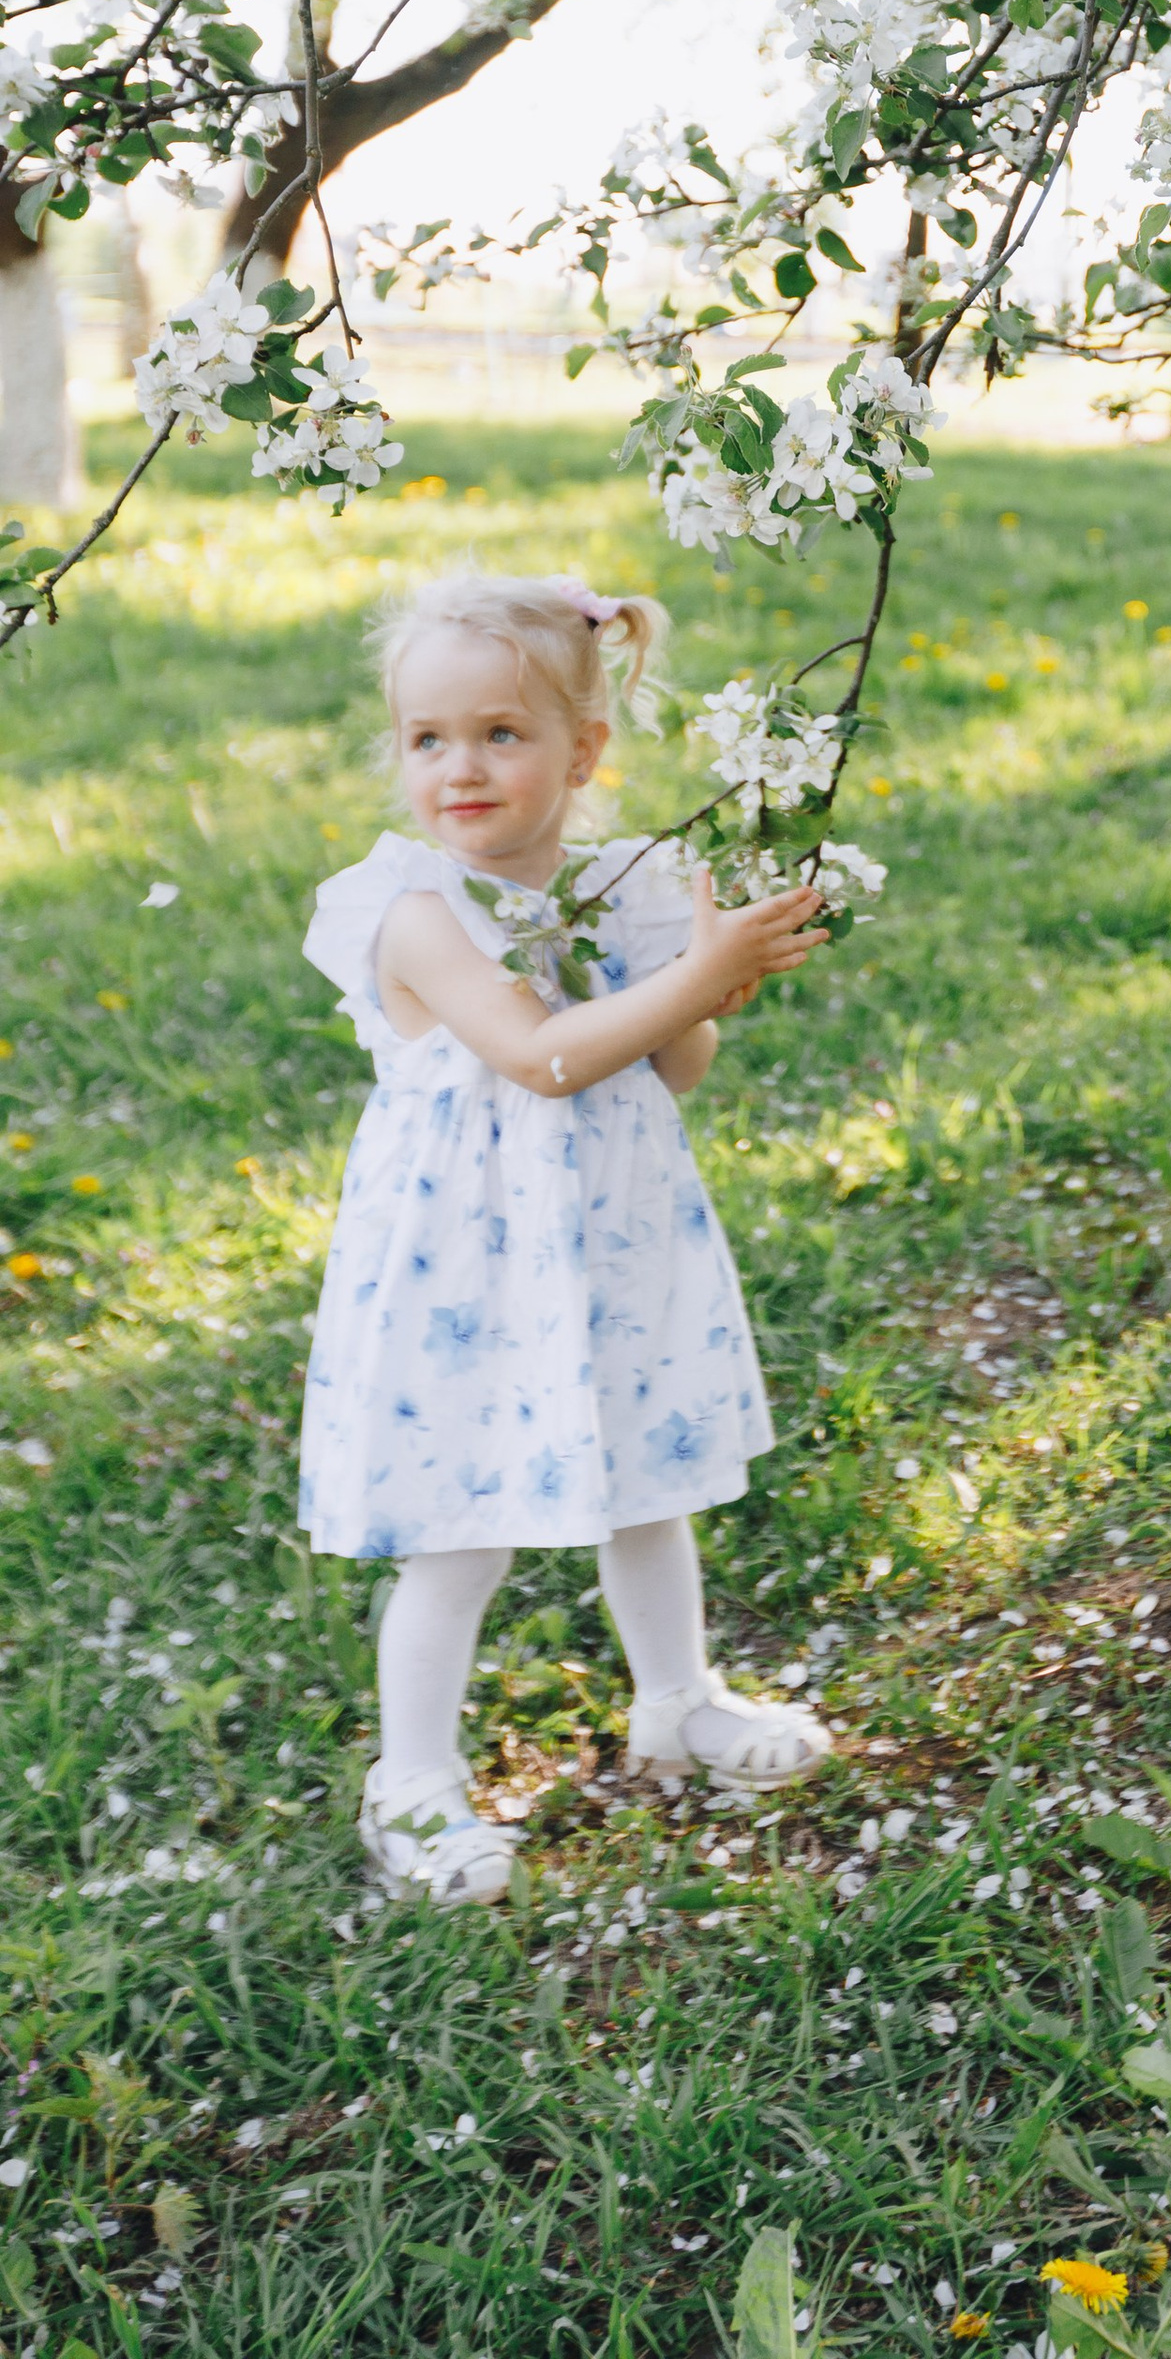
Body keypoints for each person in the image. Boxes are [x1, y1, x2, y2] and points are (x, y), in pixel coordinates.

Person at [299, 571, 834, 1907]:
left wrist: (703, 975)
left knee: (647, 1482)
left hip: (611, 1241)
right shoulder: (411, 909)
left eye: (500, 733)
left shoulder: (621, 889)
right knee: (460, 1526)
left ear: (584, 752)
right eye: (429, 739)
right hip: (464, 1269)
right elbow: (537, 1056)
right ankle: (411, 1782)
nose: (459, 767)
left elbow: (677, 1067)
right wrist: (690, 979)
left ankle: (679, 1700)